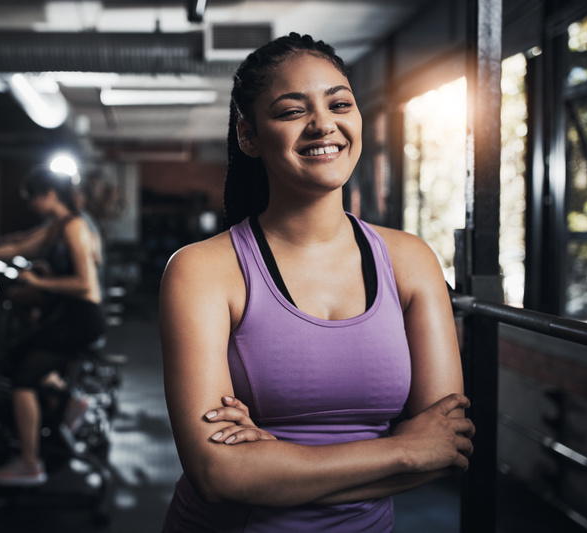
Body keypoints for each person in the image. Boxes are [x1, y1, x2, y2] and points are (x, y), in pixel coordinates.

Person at [159, 33, 475, 531]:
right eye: (291, 111)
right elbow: (217, 473)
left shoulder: (410, 261)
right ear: (249, 136)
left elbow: (445, 447)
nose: (324, 124)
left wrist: (274, 464)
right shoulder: (202, 270)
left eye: (340, 103)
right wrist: (403, 450)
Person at [0, 165, 106, 486]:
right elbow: (18, 244)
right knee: (19, 356)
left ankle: (29, 463)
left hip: (81, 318)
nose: (30, 205)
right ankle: (73, 403)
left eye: (32, 198)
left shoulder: (74, 227)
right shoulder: (58, 225)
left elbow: (85, 285)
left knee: (22, 378)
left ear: (49, 194)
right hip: (72, 316)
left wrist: (39, 281)